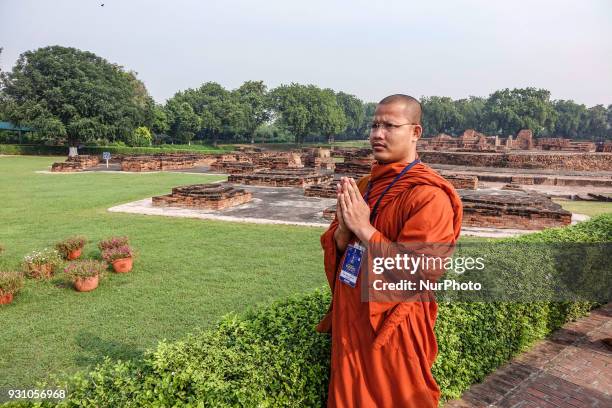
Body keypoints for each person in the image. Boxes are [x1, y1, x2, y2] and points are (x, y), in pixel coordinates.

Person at [317, 94, 463, 407]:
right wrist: (344, 229)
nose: (378, 134)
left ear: (415, 132)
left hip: (392, 327)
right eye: (374, 125)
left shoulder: (428, 196)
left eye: (390, 126)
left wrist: (365, 229)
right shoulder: (368, 183)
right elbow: (338, 245)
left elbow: (422, 271)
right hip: (352, 315)